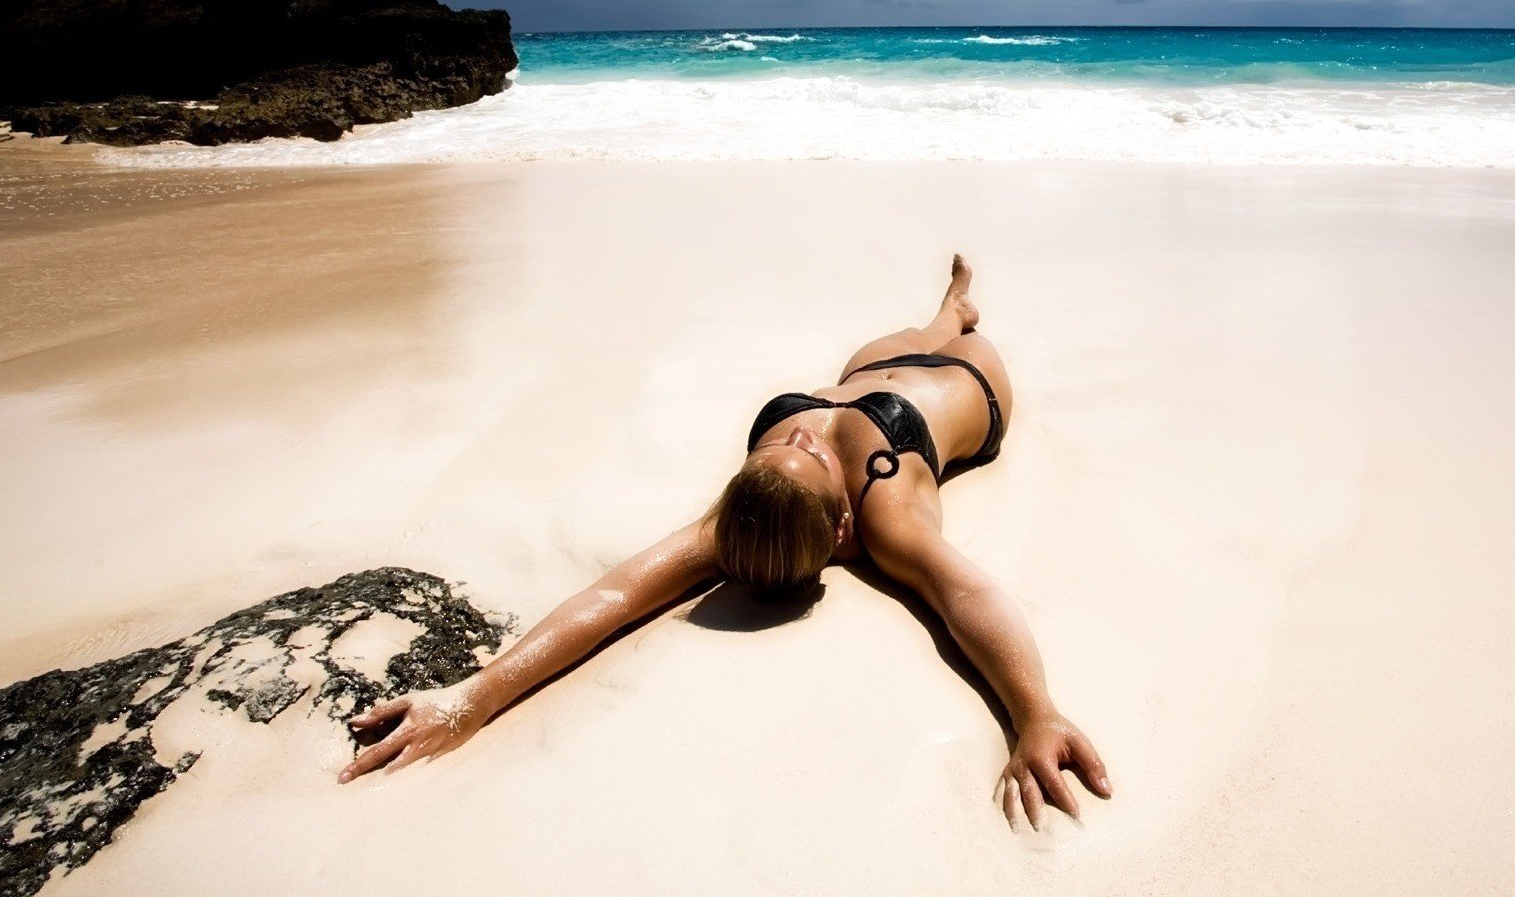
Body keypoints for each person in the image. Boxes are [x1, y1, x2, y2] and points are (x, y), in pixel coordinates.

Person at [338, 256, 1110, 829]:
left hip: (871, 368)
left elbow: (614, 593)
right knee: (946, 342)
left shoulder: (750, 515)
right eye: (801, 453)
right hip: (970, 380)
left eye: (784, 448)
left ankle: (950, 308)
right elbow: (968, 594)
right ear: (841, 530)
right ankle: (958, 322)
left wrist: (470, 698)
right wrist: (1036, 714)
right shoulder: (883, 514)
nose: (803, 433)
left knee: (918, 332)